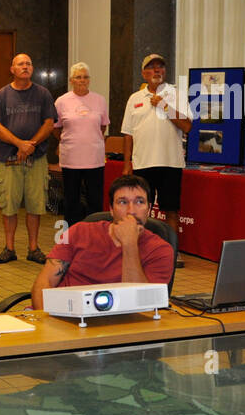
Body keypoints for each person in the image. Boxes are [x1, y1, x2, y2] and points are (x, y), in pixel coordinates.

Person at [31, 174, 175, 308]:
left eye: (139, 202)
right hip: (63, 314)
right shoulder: (79, 231)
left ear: (149, 209)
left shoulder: (161, 250)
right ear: (111, 209)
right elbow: (45, 282)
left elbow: (141, 304)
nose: (131, 210)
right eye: (123, 202)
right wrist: (45, 320)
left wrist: (129, 243)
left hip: (118, 326)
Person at [122, 53, 191, 267]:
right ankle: (141, 250)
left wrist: (164, 106)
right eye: (151, 68)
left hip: (171, 162)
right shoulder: (134, 98)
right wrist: (126, 165)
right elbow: (127, 134)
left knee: (171, 209)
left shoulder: (176, 94)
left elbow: (187, 126)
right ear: (143, 73)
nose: (156, 71)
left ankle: (172, 252)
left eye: (160, 67)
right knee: (141, 210)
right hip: (143, 163)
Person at [0, 53, 57, 265]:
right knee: (9, 205)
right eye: (21, 64)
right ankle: (9, 248)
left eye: (28, 63)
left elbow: (49, 123)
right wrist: (19, 144)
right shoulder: (2, 95)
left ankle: (33, 248)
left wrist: (31, 145)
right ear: (12, 69)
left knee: (35, 205)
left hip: (36, 159)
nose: (25, 67)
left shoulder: (43, 94)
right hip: (9, 158)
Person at [53, 63, 110, 225]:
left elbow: (102, 126)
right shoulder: (61, 101)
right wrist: (68, 139)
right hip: (71, 159)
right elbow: (56, 128)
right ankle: (72, 235)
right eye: (78, 77)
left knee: (95, 200)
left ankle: (95, 235)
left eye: (85, 77)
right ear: (71, 80)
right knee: (71, 201)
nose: (82, 80)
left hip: (94, 159)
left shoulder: (99, 100)